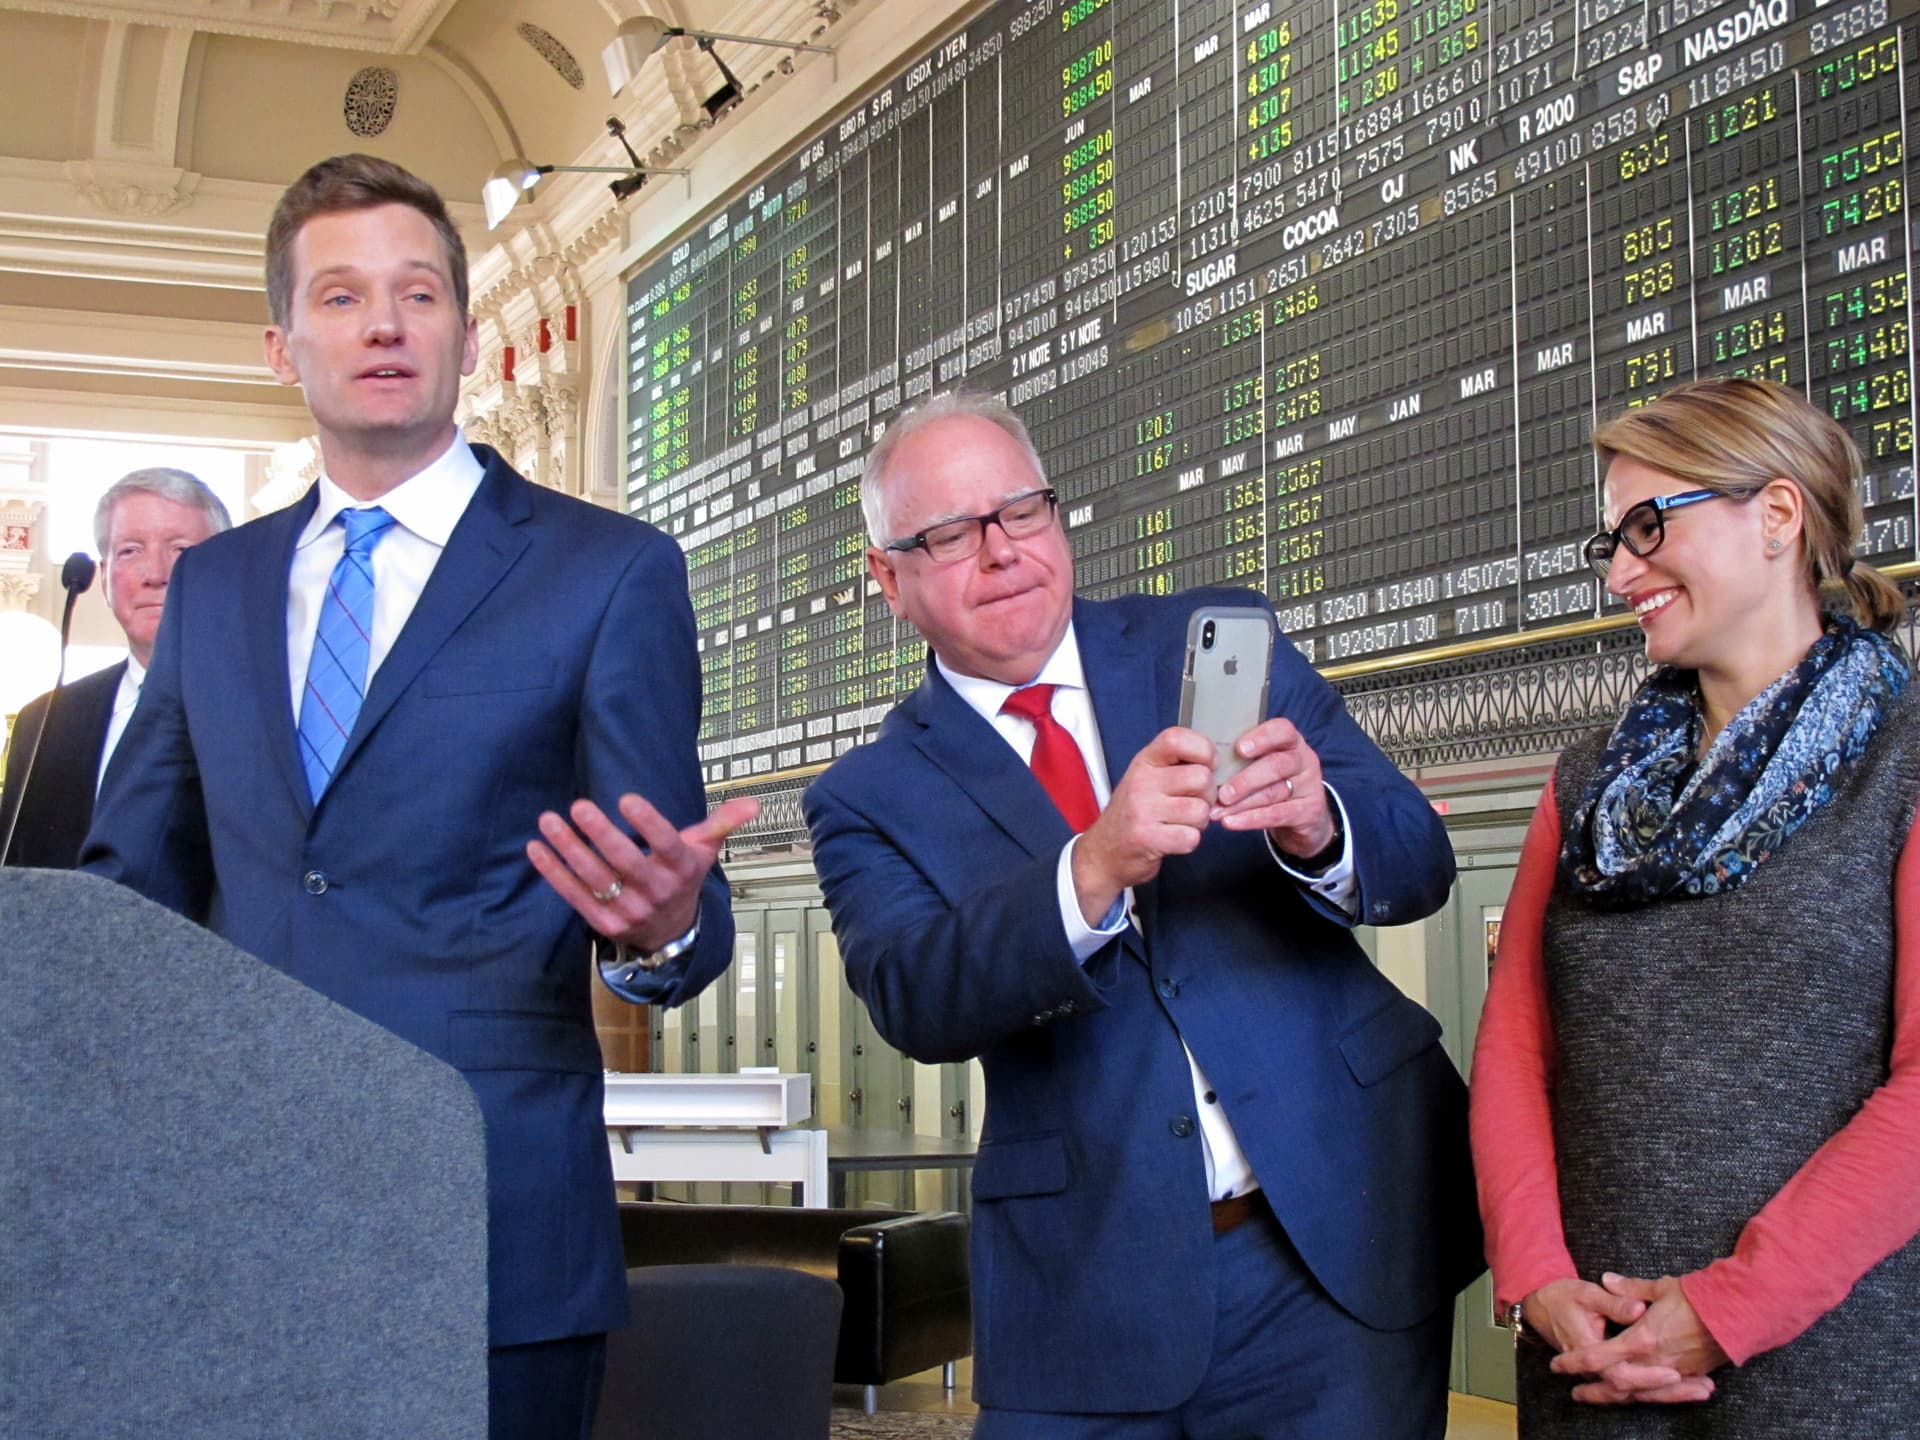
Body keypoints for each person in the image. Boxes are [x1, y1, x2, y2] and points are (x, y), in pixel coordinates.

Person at [83, 154, 756, 1440]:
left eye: (417, 294)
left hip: (492, 1215)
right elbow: (132, 894)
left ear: (463, 330)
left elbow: (676, 892)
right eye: (340, 298)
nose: (382, 324)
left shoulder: (604, 573)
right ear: (284, 346)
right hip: (230, 1222)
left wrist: (661, 925)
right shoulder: (214, 589)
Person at [803, 391, 1482, 1438]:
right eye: (949, 535)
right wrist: (1090, 868)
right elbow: (915, 997)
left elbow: (1418, 858)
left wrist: (1318, 826)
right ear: (888, 578)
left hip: (1340, 1238)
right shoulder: (867, 794)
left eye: (1020, 512)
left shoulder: (1212, 644)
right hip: (1088, 1287)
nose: (1000, 552)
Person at [1470, 376, 1920, 1435]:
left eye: (1648, 526)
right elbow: (1513, 1047)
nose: (1623, 571)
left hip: (1824, 1373)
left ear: (1776, 515)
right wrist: (1535, 1276)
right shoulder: (1584, 787)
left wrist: (1727, 1307)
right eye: (1612, 542)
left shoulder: (1904, 763)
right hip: (1588, 1358)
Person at [0, 468, 229, 867]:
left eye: (180, 550)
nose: (155, 574)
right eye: (130, 550)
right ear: (104, 578)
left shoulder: (274, 705)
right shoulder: (44, 725)